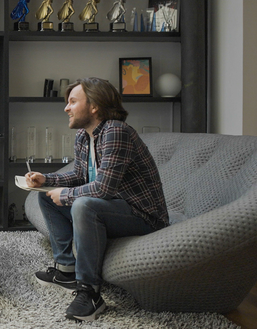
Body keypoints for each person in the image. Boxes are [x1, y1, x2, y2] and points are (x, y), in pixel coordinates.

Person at [25, 77, 168, 321]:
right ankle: (66, 271)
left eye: (72, 102)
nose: (66, 108)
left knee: (83, 204)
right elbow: (80, 175)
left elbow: (103, 189)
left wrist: (67, 196)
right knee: (47, 198)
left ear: (94, 106)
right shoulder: (84, 135)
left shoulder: (116, 131)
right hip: (112, 208)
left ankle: (90, 292)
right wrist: (46, 180)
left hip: (143, 215)